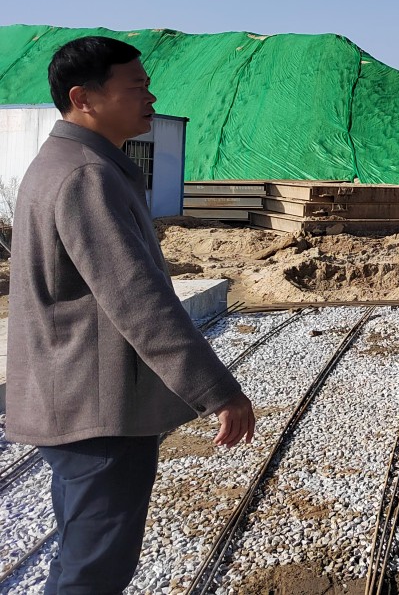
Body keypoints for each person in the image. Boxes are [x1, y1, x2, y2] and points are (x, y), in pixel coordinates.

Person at [6, 35, 255, 594]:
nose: (150, 96)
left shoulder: (71, 164)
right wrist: (217, 390)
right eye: (136, 85)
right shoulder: (86, 176)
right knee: (94, 574)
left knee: (79, 559)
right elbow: (139, 300)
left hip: (74, 400)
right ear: (84, 98)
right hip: (98, 408)